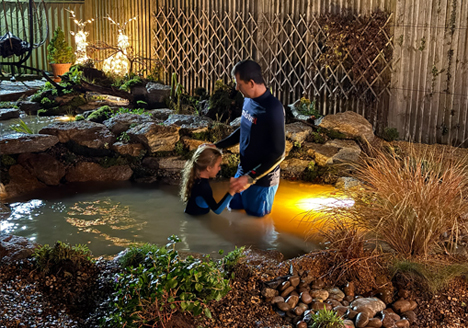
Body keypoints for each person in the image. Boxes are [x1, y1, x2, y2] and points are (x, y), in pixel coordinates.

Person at [214, 59, 285, 217]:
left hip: (261, 181)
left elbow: (279, 153)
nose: (236, 88)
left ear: (251, 83)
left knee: (256, 225)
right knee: (233, 211)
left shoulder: (273, 108)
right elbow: (244, 130)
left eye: (239, 84)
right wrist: (218, 146)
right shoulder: (248, 100)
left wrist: (250, 178)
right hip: (243, 172)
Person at [181, 145, 238, 216]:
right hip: (197, 221)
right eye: (218, 165)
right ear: (208, 168)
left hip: (192, 218)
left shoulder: (196, 180)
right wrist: (232, 190)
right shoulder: (204, 187)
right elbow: (217, 210)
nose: (220, 168)